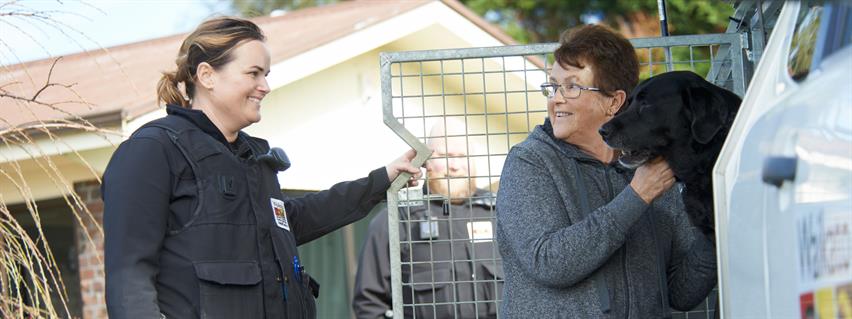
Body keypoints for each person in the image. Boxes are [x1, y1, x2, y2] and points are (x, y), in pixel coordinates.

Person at [102, 17, 421, 319]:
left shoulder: (254, 159)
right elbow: (129, 277)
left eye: (266, 74)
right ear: (207, 75)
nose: (265, 86)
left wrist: (382, 181)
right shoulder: (153, 151)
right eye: (253, 73)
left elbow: (293, 220)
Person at [495, 25, 717, 318]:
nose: (555, 98)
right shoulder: (529, 162)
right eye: (553, 86)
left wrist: (713, 229)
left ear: (614, 102)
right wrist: (638, 196)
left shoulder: (652, 170)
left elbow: (680, 291)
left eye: (572, 86)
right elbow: (549, 262)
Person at [352, 119, 502, 319]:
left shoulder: (501, 213)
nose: (455, 166)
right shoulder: (398, 220)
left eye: (462, 156)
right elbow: (369, 305)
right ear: (426, 161)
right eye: (445, 156)